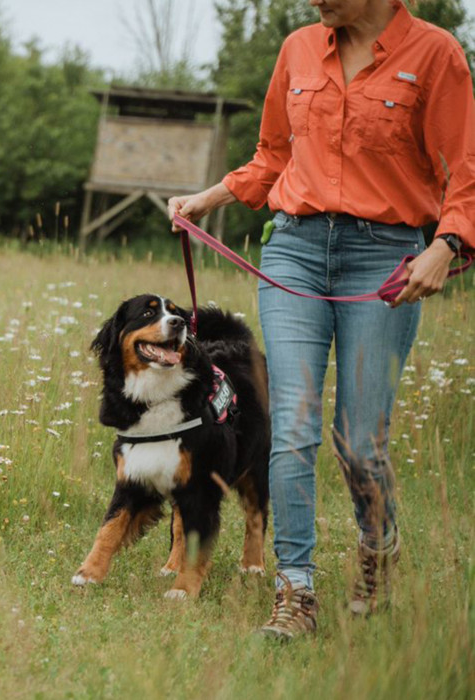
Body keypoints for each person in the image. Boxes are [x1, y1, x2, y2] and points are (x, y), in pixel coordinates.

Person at [167, 0, 474, 639]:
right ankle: (296, 591)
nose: (313, 0)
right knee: (293, 426)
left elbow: (466, 173)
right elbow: (272, 156)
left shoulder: (435, 53)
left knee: (359, 441)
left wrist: (447, 245)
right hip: (296, 252)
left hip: (384, 256)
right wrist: (209, 197)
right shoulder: (300, 48)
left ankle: (378, 547)